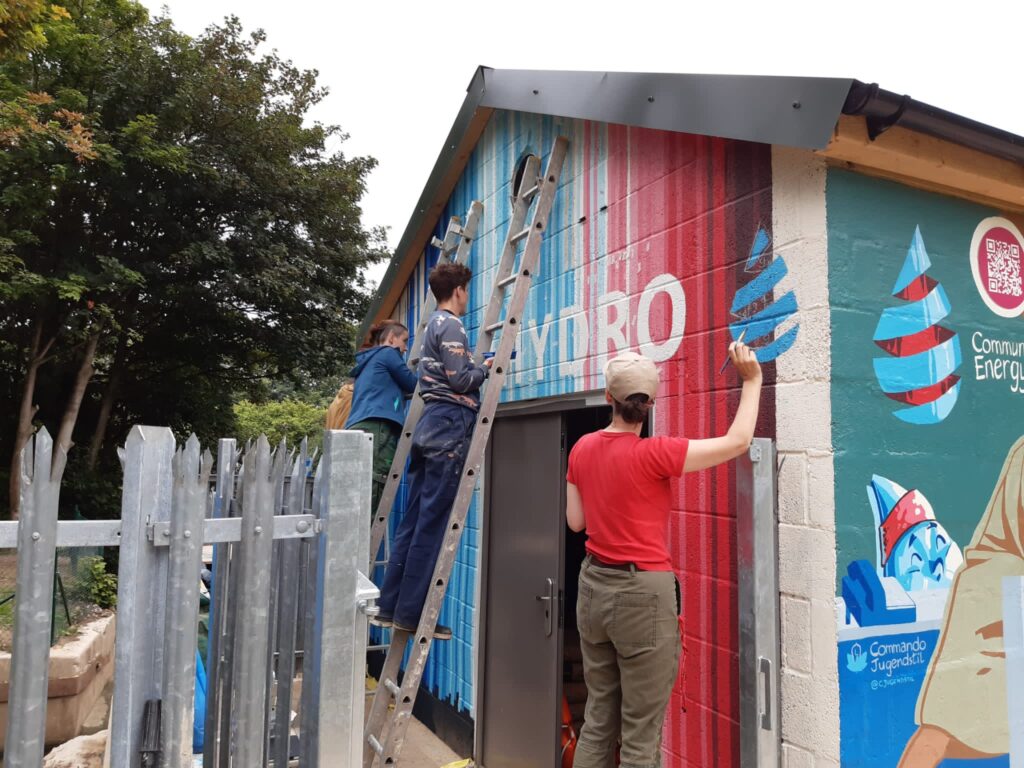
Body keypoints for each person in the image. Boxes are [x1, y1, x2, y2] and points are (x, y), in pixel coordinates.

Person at [566, 345, 763, 768]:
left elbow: (576, 522)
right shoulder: (656, 454)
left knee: (599, 719)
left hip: (594, 587)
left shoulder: (581, 448)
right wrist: (752, 380)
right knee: (640, 735)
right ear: (649, 404)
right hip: (642, 595)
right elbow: (739, 441)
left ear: (608, 399)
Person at [373, 262, 491, 640]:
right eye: (467, 290)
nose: (468, 297)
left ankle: (390, 607)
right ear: (457, 290)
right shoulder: (451, 325)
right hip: (448, 425)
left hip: (429, 426)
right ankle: (411, 614)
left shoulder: (429, 329)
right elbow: (460, 379)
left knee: (414, 520)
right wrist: (485, 368)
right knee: (433, 523)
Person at [344, 319, 418, 513]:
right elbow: (412, 384)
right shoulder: (388, 353)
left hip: (359, 425)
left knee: (359, 485)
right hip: (377, 426)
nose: (405, 348)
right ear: (392, 339)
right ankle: (362, 538)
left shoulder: (369, 361)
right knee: (374, 483)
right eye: (404, 341)